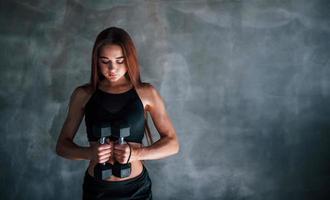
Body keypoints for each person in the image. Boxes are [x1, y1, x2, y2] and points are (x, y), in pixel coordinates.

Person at [55, 26, 180, 200]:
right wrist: (89, 153)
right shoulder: (83, 94)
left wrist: (136, 153)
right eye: (105, 61)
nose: (112, 68)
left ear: (130, 59)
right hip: (97, 189)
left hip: (136, 189)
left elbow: (173, 144)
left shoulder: (146, 93)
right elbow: (62, 146)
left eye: (120, 61)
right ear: (96, 61)